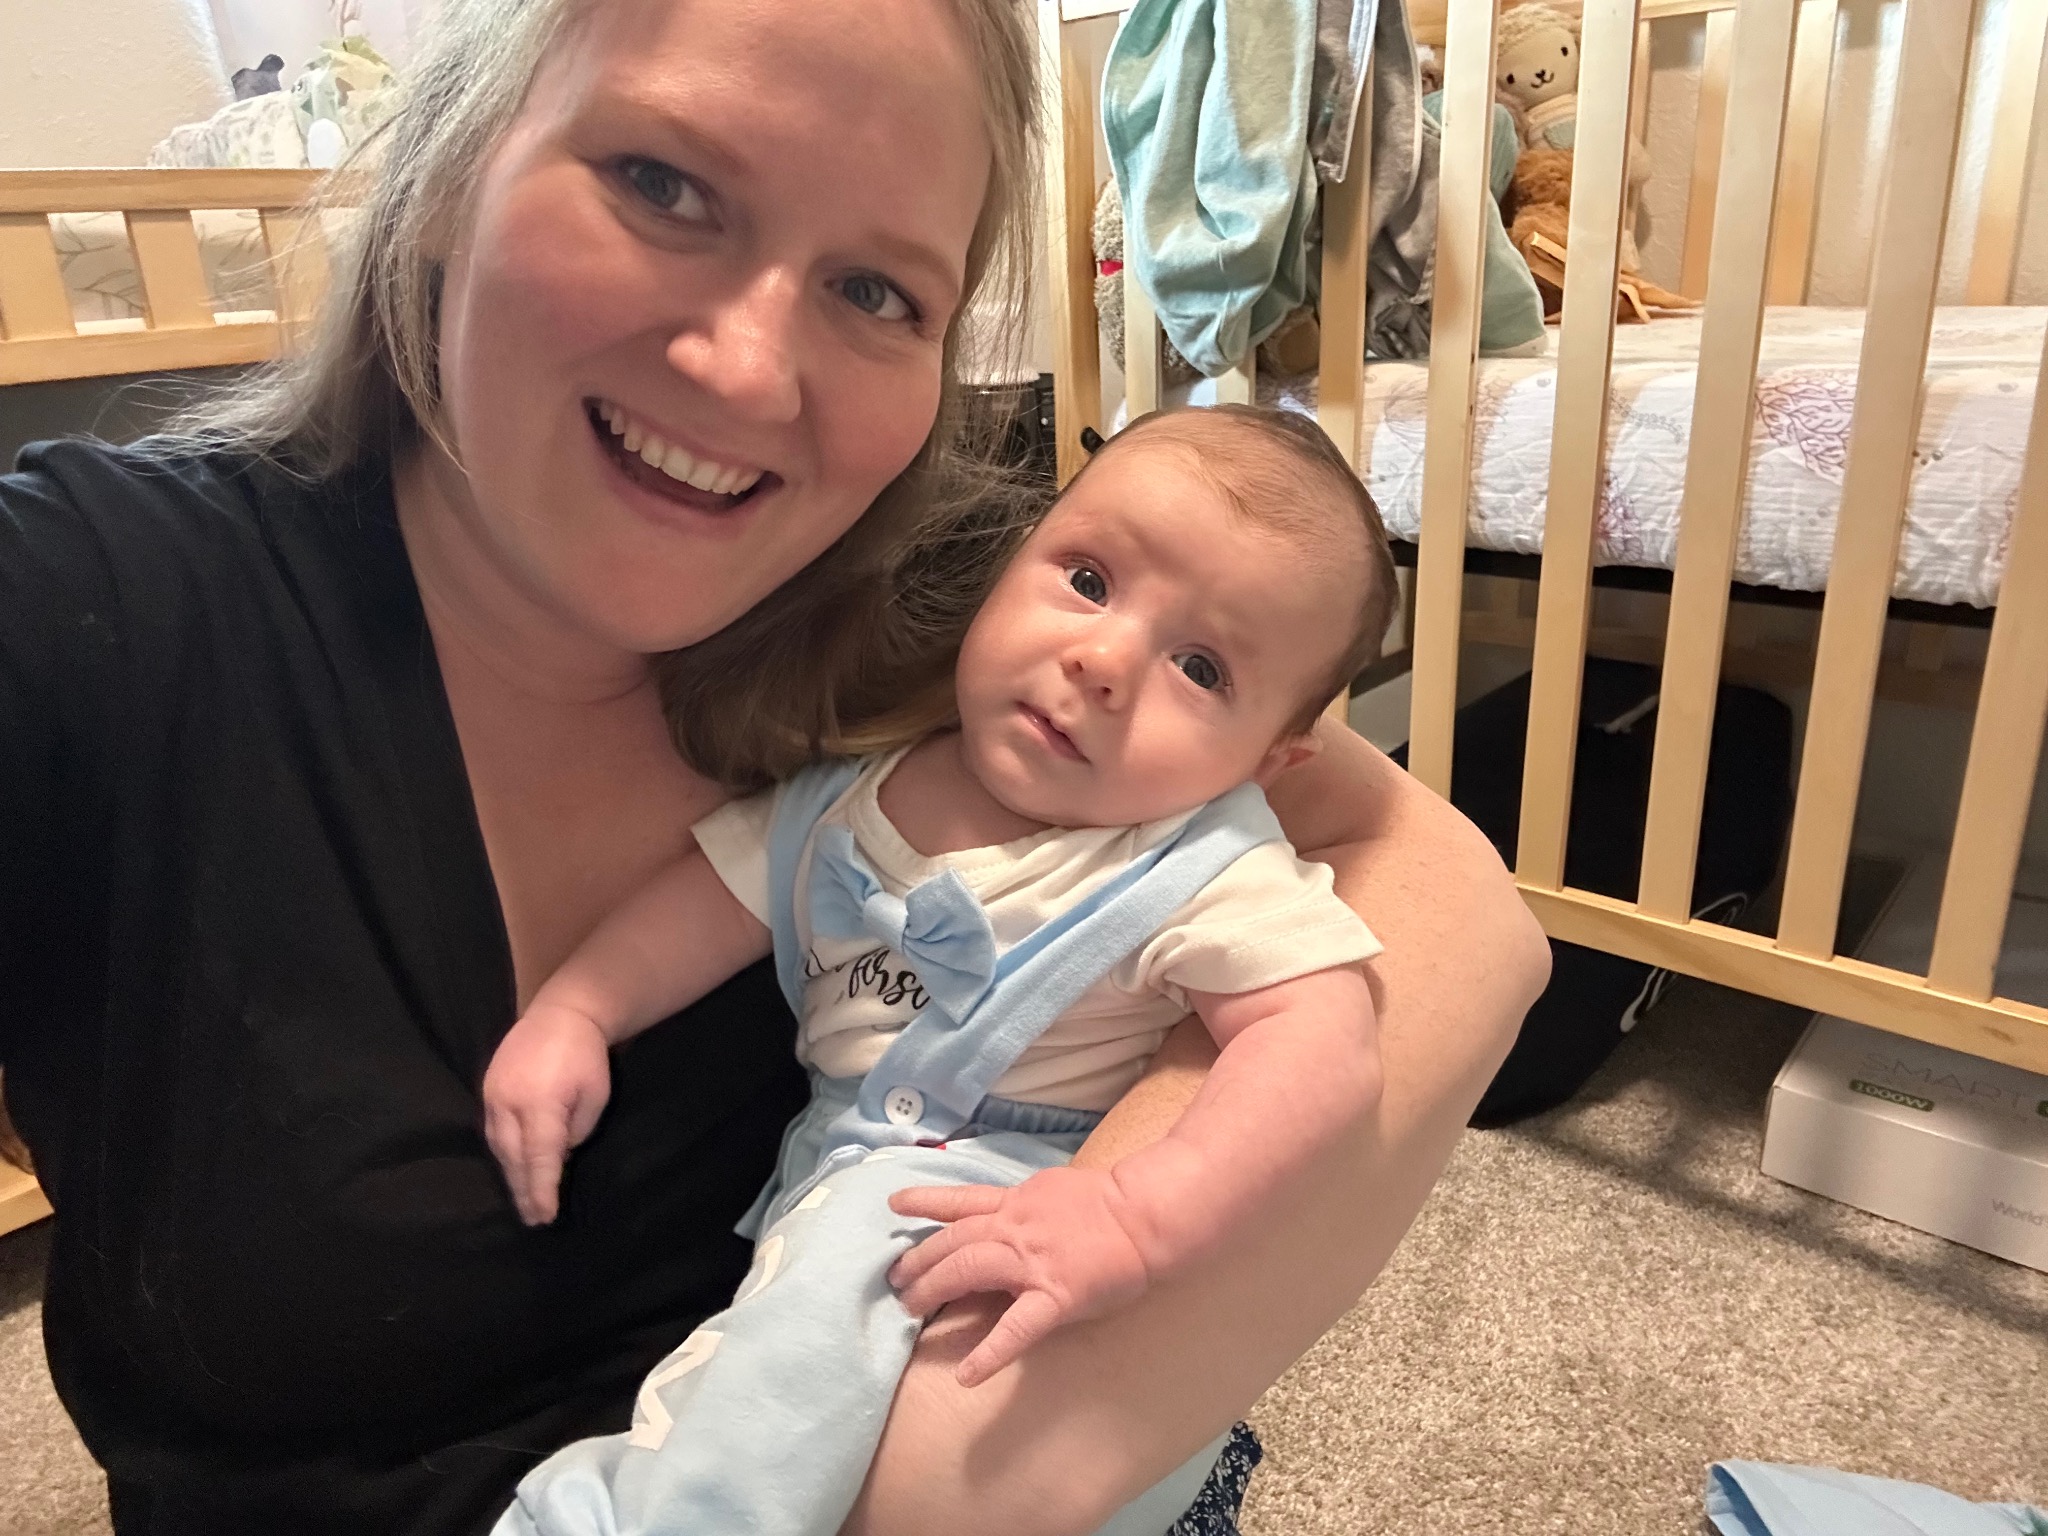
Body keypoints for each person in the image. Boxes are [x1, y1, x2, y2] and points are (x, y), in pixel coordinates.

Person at [0, 0, 1549, 1532]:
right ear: (449, 173)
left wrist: (1014, 1384)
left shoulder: (969, 606)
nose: (748, 375)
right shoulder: (92, 611)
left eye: (877, 289)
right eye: (661, 183)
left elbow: (1452, 906)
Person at [481, 405, 1397, 1534]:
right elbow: (706, 903)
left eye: (1200, 668)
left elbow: (1323, 1041)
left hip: (1034, 1196)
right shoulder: (848, 795)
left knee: (801, 1357)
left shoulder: (1196, 862)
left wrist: (1133, 1214)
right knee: (786, 1357)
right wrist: (577, 1011)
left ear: (1267, 761)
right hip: (836, 1188)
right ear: (1008, 567)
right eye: (1089, 582)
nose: (1104, 663)